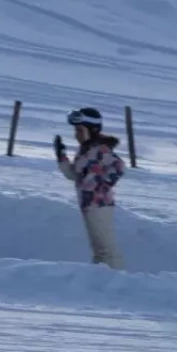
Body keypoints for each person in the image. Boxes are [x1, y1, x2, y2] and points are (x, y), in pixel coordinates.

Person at [54, 107, 126, 269]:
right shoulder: (85, 150)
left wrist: (101, 186)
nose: (76, 134)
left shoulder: (100, 149)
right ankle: (100, 279)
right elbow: (74, 175)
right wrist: (61, 156)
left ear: (93, 130)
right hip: (88, 204)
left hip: (100, 205)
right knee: (98, 248)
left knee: (107, 248)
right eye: (76, 130)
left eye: (80, 130)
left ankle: (118, 280)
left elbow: (119, 166)